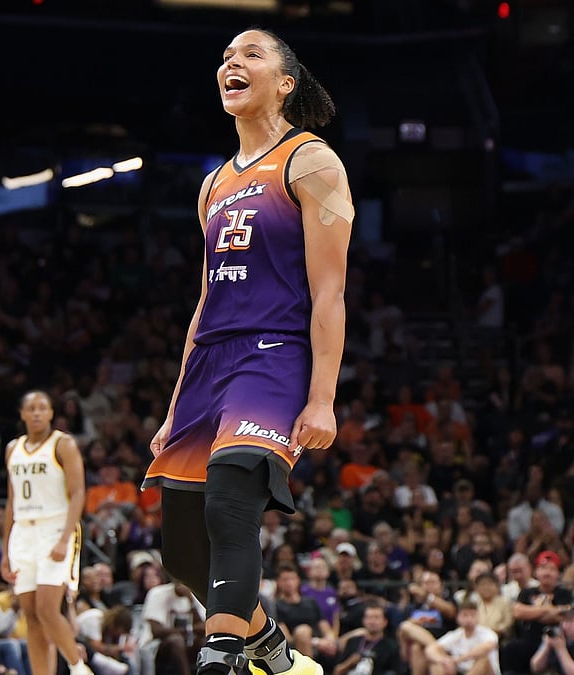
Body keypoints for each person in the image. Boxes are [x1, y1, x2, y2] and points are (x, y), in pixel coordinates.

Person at [143, 27, 353, 675]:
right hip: (211, 362)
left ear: (285, 82)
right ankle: (275, 651)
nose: (232, 63)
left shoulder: (311, 161)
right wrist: (173, 407)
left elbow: (329, 290)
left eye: (251, 54)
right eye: (226, 57)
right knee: (180, 548)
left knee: (233, 484)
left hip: (275, 354)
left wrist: (323, 397)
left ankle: (222, 655)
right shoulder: (211, 185)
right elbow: (204, 302)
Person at [1, 390, 91, 675]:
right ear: (22, 414)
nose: (37, 413)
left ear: (51, 413)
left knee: (48, 609)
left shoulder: (63, 444)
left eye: (43, 408)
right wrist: (5, 552)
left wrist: (65, 537)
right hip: (23, 533)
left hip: (55, 528)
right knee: (31, 615)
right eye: (32, 408)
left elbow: (78, 493)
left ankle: (78, 668)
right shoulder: (12, 448)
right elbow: (11, 502)